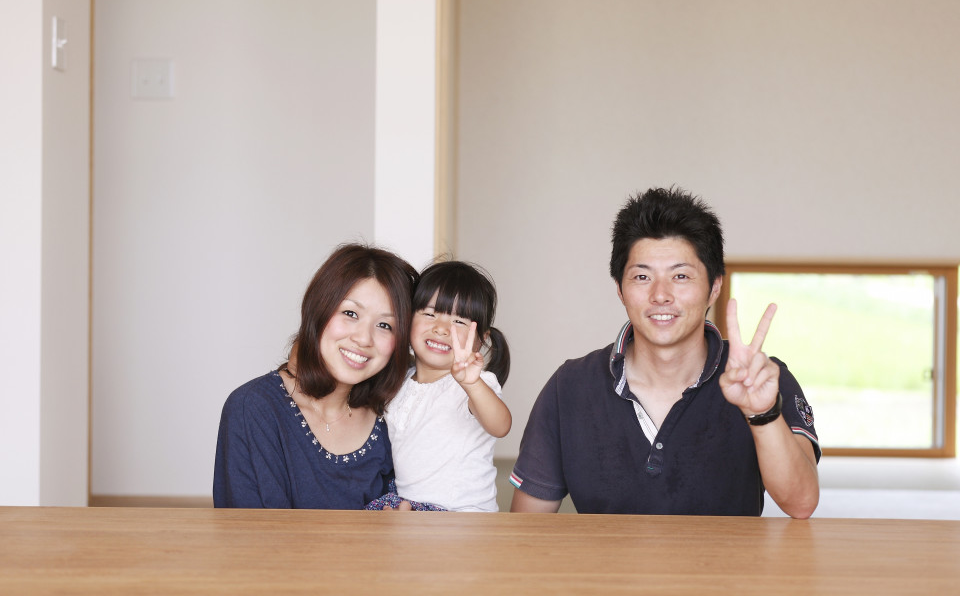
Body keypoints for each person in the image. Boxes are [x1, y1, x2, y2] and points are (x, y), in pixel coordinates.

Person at [509, 187, 820, 518]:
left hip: (730, 556)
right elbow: (527, 527)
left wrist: (763, 413)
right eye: (642, 276)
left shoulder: (760, 378)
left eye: (680, 276)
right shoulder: (570, 386)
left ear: (714, 287)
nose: (660, 295)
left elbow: (801, 503)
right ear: (620, 290)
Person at [213, 243, 418, 509]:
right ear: (318, 309)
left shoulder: (394, 416)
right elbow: (254, 531)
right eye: (350, 313)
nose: (364, 339)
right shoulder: (253, 407)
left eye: (385, 325)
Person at [366, 261, 512, 512]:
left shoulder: (475, 383)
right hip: (412, 509)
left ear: (481, 340)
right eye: (430, 314)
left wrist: (471, 384)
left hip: (464, 516)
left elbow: (500, 426)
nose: (441, 329)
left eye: (459, 321)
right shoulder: (399, 381)